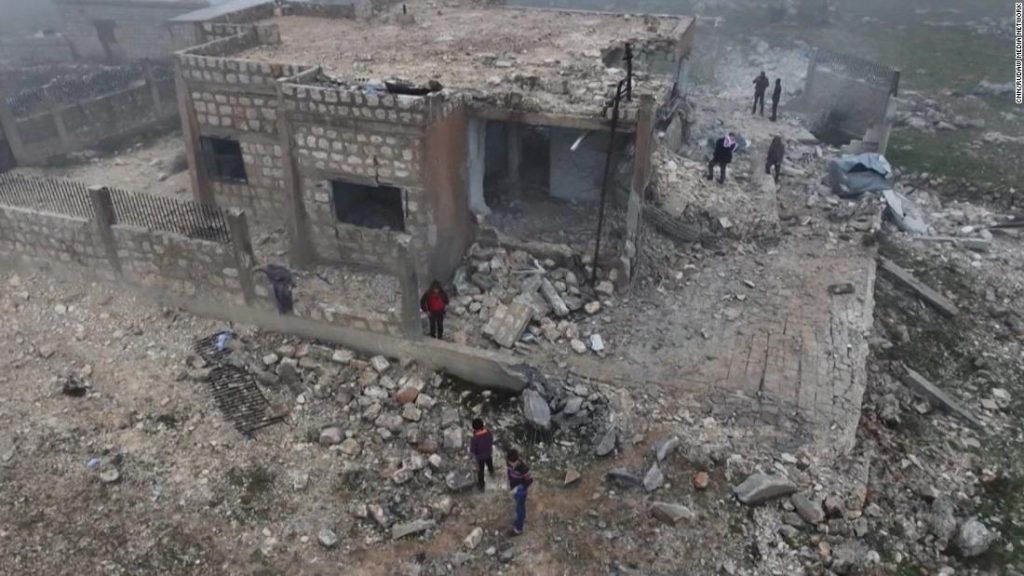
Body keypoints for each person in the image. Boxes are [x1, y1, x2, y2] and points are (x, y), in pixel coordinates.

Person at [506, 448, 533, 536]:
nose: (511, 465)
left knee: (520, 508)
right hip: (514, 488)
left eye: (512, 463)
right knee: (518, 505)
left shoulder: (524, 469)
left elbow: (529, 480)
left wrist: (518, 488)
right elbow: (509, 472)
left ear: (517, 461)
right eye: (509, 463)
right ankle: (519, 520)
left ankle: (518, 529)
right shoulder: (509, 463)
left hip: (521, 490)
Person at [469, 418, 495, 491]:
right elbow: (491, 440)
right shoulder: (488, 433)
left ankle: (481, 485)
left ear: (474, 428)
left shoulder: (474, 439)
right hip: (488, 454)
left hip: (480, 458)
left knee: (481, 472)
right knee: (490, 464)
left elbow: (473, 450)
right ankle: (492, 472)